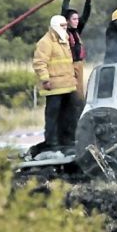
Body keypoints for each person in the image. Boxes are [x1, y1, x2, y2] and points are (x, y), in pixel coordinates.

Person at [31, 15, 80, 156]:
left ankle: (68, 141)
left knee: (70, 114)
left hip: (68, 86)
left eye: (66, 25)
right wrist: (45, 79)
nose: (66, 28)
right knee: (53, 116)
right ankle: (52, 143)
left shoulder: (63, 40)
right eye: (63, 26)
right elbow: (39, 62)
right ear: (55, 26)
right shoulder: (45, 42)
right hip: (53, 87)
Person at [60, 0, 91, 101]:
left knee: (79, 92)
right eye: (74, 19)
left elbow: (86, 16)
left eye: (77, 19)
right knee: (70, 91)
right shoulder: (63, 31)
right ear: (67, 21)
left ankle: (79, 109)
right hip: (68, 65)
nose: (77, 21)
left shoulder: (77, 30)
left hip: (79, 65)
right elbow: (63, 14)